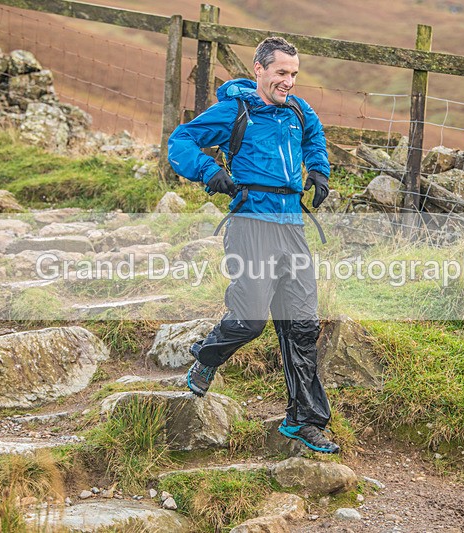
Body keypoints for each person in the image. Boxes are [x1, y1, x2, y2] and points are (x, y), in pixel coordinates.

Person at [167, 37, 338, 454]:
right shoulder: (234, 111)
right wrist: (209, 171)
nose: (289, 82)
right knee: (250, 319)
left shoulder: (298, 110)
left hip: (291, 226)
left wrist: (318, 170)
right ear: (259, 69)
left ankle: (302, 421)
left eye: (294, 74)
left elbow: (315, 137)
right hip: (249, 223)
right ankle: (207, 357)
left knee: (301, 324)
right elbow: (181, 141)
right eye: (282, 73)